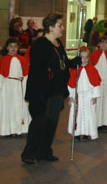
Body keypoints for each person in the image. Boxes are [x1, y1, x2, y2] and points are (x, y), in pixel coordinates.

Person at [21, 13, 73, 164]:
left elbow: (63, 63)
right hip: (42, 91)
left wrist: (76, 61)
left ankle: (44, 151)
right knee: (39, 123)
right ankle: (29, 153)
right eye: (60, 25)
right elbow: (37, 71)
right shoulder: (40, 45)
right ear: (50, 27)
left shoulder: (58, 43)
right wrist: (39, 93)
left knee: (51, 122)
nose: (62, 28)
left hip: (56, 90)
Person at [0, 38, 30, 137]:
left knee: (19, 108)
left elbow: (26, 76)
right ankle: (7, 130)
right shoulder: (3, 60)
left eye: (15, 46)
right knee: (7, 109)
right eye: (11, 46)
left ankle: (19, 130)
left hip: (19, 87)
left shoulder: (22, 60)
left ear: (18, 48)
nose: (13, 48)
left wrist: (26, 89)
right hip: (7, 87)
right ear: (7, 48)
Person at [68, 46, 102, 141]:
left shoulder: (93, 69)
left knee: (89, 115)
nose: (84, 59)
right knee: (76, 115)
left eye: (86, 57)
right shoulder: (74, 70)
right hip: (77, 95)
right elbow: (71, 85)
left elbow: (96, 84)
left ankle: (87, 134)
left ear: (88, 58)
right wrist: (71, 96)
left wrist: (95, 96)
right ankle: (77, 134)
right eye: (82, 57)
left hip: (88, 96)